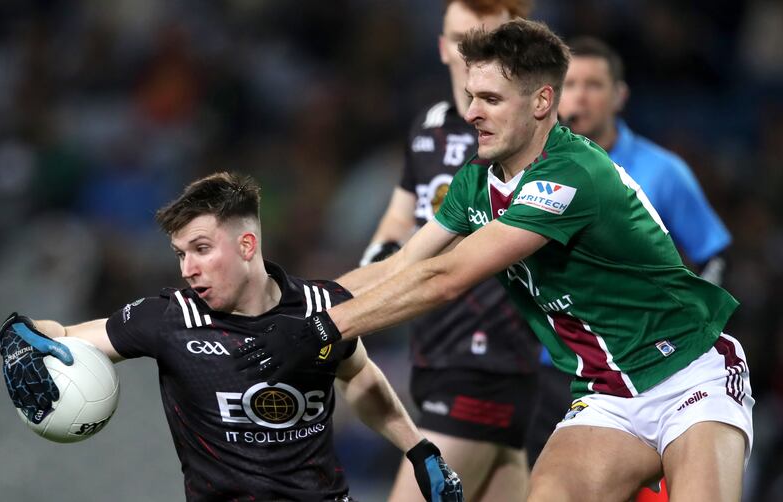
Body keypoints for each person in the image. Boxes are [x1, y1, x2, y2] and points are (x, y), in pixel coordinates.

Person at [235, 20, 754, 502]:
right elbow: (402, 265)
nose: (472, 113)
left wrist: (322, 330)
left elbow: (446, 279)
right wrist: (289, 307)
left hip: (690, 374)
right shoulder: (476, 181)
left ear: (541, 102)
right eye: (469, 97)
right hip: (606, 392)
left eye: (490, 99)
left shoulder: (572, 175)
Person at [0, 172, 464, 502]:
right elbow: (67, 337)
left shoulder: (323, 309)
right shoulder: (168, 317)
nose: (188, 268)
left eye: (201, 249)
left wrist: (418, 448)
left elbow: (360, 376)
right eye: (181, 254)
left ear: (247, 245)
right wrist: (19, 333)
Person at [525, 36, 736, 500]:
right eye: (570, 84)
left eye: (593, 85)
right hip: (560, 368)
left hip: (653, 370)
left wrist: (689, 332)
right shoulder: (531, 170)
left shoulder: (663, 170)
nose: (579, 96)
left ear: (619, 95)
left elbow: (711, 252)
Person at [360, 1, 539, 500]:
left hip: (488, 359)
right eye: (460, 38)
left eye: (488, 38)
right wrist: (375, 259)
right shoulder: (429, 126)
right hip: (436, 351)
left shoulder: (525, 135)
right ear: (442, 48)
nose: (470, 51)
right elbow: (400, 216)